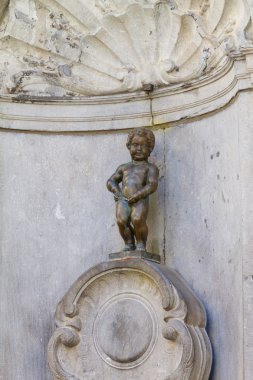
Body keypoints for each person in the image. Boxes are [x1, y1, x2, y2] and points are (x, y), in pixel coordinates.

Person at [107, 127, 159, 251]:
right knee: (121, 221)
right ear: (129, 146)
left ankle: (141, 244)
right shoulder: (124, 167)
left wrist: (138, 195)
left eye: (143, 145)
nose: (139, 149)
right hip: (123, 199)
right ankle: (129, 243)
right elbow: (111, 181)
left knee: (138, 220)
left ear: (150, 148)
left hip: (140, 199)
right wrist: (116, 191)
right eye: (135, 145)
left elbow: (152, 185)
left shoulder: (150, 168)